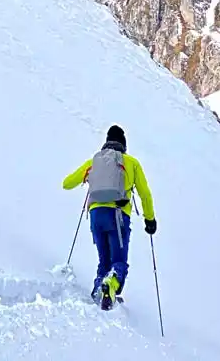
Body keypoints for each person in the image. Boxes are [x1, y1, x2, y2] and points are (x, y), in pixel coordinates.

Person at [62, 124, 156, 309]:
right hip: (118, 216)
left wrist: (88, 177)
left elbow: (67, 183)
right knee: (119, 262)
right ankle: (110, 285)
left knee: (104, 261)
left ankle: (100, 292)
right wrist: (150, 219)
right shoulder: (132, 162)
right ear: (124, 145)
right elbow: (145, 194)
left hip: (96, 215)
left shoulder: (94, 162)